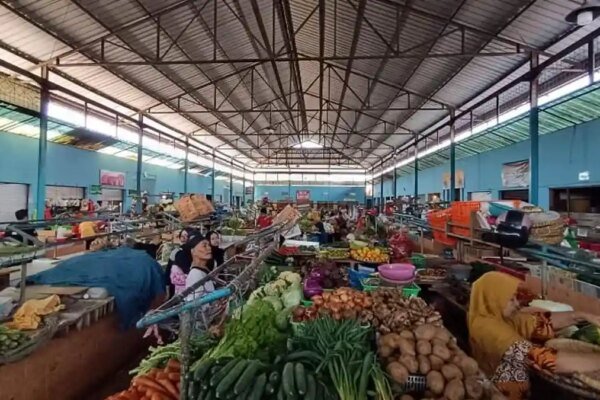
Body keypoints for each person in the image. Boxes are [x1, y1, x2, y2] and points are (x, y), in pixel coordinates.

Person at [469, 271, 600, 400]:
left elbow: (540, 323)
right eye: (511, 299)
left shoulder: (497, 315)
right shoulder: (486, 327)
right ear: (494, 299)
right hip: (495, 390)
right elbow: (538, 357)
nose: (517, 304)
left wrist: (580, 316)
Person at [165, 228, 196, 297]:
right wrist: (167, 287)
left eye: (187, 236)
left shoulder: (196, 252)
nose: (185, 238)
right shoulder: (176, 252)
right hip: (177, 289)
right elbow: (168, 270)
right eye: (182, 236)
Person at [184, 234, 215, 301]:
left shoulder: (204, 269)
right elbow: (192, 301)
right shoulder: (195, 273)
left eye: (209, 245)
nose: (209, 248)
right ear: (193, 251)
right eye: (204, 246)